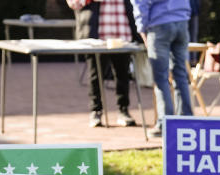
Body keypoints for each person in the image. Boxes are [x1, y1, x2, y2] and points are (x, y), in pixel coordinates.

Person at [68, 0, 140, 127]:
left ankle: (123, 111)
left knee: (123, 75)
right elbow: (73, 3)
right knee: (96, 76)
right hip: (97, 36)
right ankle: (95, 111)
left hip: (122, 34)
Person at [131, 0, 194, 137]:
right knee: (181, 74)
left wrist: (142, 30)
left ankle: (164, 124)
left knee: (161, 79)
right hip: (181, 21)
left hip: (159, 25)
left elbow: (140, 3)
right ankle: (186, 120)